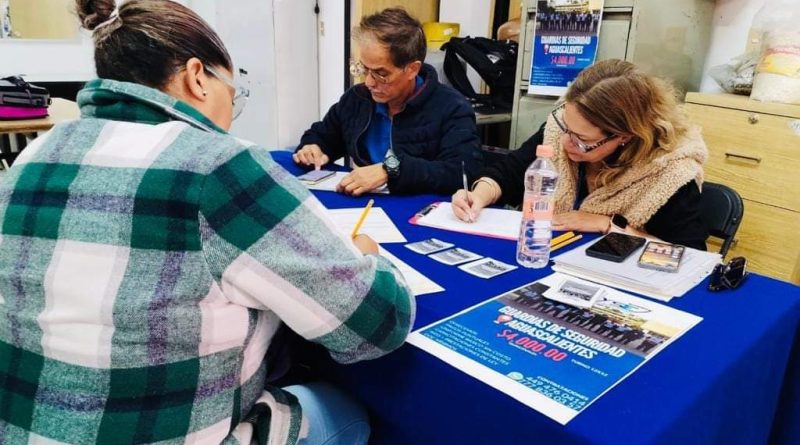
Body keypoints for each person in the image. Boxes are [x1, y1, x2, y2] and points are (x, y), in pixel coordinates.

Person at [0, 1, 414, 444]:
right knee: (342, 410)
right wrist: (371, 259)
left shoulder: (32, 156)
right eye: (233, 96)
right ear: (198, 77)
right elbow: (377, 323)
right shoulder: (218, 166)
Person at [452, 59, 709, 249]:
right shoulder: (564, 131)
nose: (566, 142)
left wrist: (607, 225)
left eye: (583, 140)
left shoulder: (669, 172)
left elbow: (690, 256)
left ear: (625, 136)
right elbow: (509, 172)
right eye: (565, 127)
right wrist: (478, 195)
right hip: (549, 258)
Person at [293, 8, 482, 196]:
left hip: (418, 210)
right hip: (364, 206)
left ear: (412, 70)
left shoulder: (451, 107)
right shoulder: (358, 98)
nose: (368, 82)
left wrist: (389, 170)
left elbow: (463, 172)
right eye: (364, 69)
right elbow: (324, 135)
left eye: (381, 74)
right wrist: (313, 147)